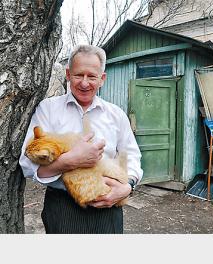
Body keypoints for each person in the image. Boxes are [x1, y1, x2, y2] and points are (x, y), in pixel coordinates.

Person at [19, 45, 143, 234]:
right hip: (63, 206)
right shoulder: (48, 109)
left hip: (109, 205)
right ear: (68, 74)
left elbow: (132, 154)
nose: (85, 83)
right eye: (78, 75)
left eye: (92, 76)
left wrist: (128, 187)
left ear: (102, 79)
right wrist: (72, 160)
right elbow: (28, 165)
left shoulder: (116, 114)